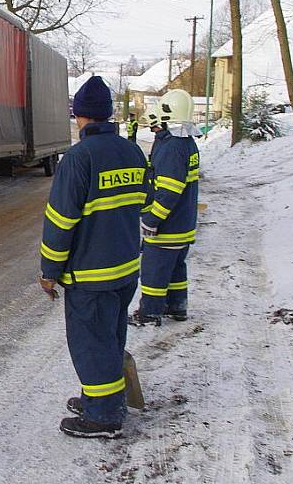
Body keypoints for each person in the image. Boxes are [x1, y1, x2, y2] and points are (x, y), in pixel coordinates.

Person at [39, 76, 148, 439]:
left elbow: (60, 221)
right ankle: (101, 399)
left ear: (80, 117)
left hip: (91, 273)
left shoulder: (78, 158)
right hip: (126, 269)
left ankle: (102, 416)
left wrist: (49, 271)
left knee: (91, 343)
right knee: (110, 338)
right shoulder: (132, 151)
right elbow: (142, 202)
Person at [130, 89, 201, 326]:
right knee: (175, 268)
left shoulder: (171, 148)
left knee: (154, 270)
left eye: (156, 125)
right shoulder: (186, 143)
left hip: (168, 228)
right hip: (183, 224)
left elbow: (169, 191)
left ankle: (149, 313)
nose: (154, 129)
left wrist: (152, 219)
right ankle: (177, 306)